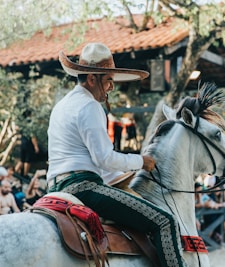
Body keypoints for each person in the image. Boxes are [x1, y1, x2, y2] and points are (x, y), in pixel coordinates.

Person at [47, 42, 186, 267]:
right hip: (83, 187)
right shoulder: (89, 107)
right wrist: (141, 161)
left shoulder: (61, 106)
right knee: (164, 221)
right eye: (109, 79)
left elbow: (92, 161)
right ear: (92, 79)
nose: (112, 86)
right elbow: (105, 158)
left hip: (54, 188)